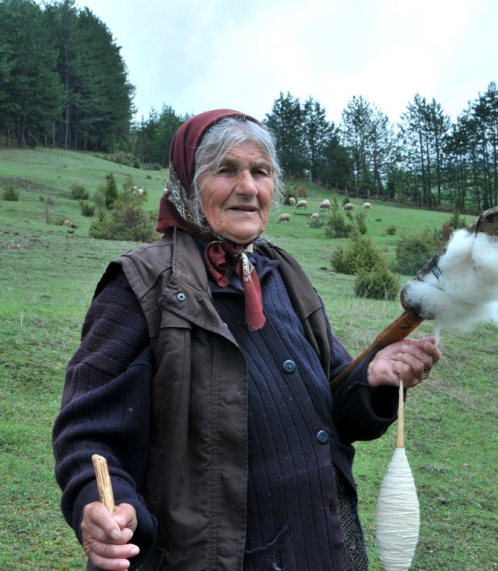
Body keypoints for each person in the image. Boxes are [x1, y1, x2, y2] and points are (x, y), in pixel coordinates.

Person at [52, 109, 441, 571]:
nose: (248, 188)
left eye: (261, 171)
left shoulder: (284, 275)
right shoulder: (142, 285)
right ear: (186, 184)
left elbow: (332, 406)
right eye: (225, 170)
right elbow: (87, 433)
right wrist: (94, 505)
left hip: (318, 544)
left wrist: (372, 379)